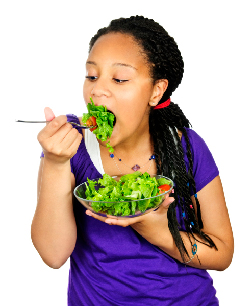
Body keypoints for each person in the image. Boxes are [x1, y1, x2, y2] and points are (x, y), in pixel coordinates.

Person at [31, 16, 234, 305]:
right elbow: (53, 255)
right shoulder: (70, 147)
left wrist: (159, 231)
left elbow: (223, 253)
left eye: (119, 79)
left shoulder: (186, 147)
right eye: (91, 76)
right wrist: (54, 162)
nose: (97, 90)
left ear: (156, 91)